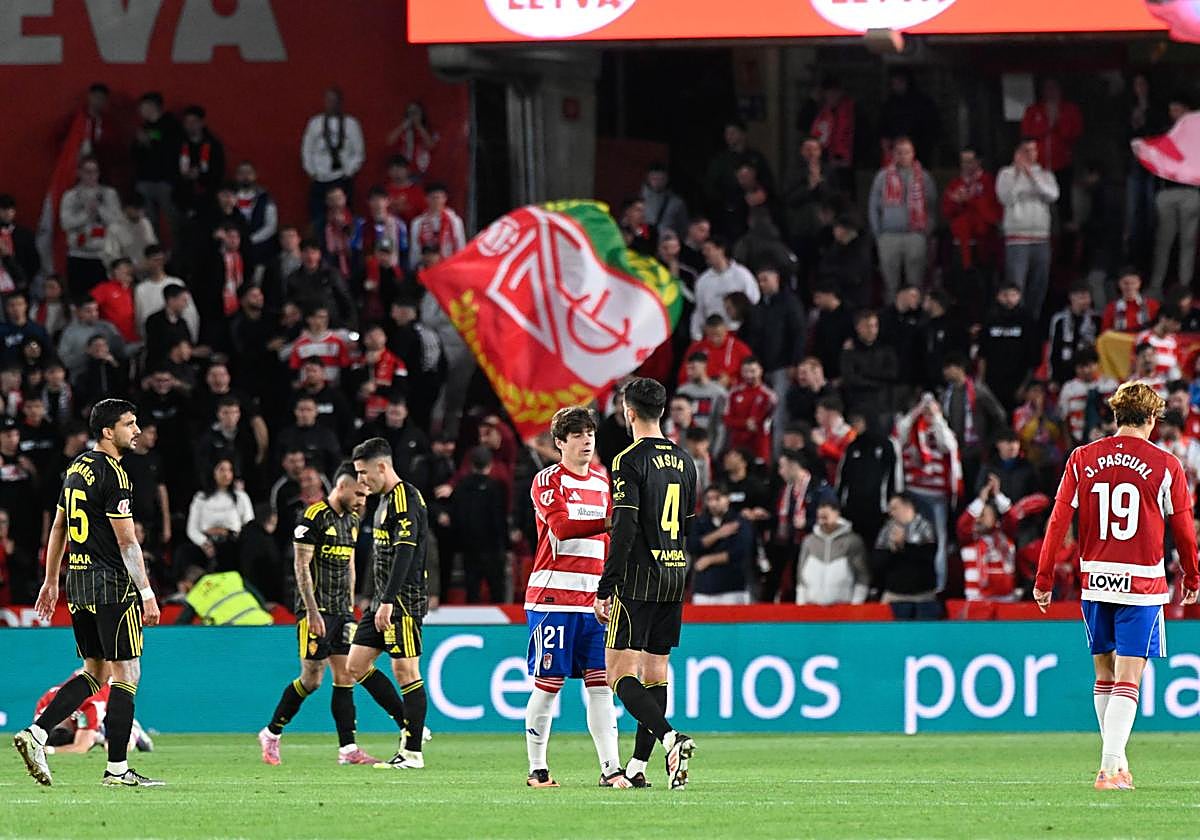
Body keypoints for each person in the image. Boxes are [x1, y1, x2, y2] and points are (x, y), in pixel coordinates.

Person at [1034, 382, 1199, 790]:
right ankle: (1109, 769)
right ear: (1150, 418)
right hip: (1141, 583)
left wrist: (1044, 576)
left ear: (1115, 415)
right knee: (1130, 675)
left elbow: (1057, 522)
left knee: (1104, 674)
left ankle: (1116, 764)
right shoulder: (1166, 464)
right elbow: (1183, 529)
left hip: (1095, 580)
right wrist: (1193, 575)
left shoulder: (1081, 458)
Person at [13, 399, 162, 787]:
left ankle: (37, 733)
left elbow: (59, 526)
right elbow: (127, 541)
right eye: (129, 424)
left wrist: (51, 580)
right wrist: (146, 591)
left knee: (95, 672)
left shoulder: (76, 468)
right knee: (127, 674)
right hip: (112, 583)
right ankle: (117, 769)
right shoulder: (114, 473)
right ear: (108, 432)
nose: (137, 430)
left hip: (78, 584)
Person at [594, 378, 699, 791]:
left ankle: (671, 737)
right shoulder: (686, 461)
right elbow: (687, 525)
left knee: (618, 674)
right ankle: (638, 766)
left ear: (629, 412)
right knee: (656, 673)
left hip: (638, 577)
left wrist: (606, 586)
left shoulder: (628, 460)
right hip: (675, 572)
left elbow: (624, 528)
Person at [523, 407, 624, 787]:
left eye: (590, 434)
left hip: (593, 602)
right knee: (549, 685)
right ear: (560, 442)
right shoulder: (547, 480)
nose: (586, 441)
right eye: (577, 435)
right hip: (553, 599)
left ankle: (610, 769)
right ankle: (537, 769)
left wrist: (610, 587)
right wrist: (610, 521)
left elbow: (609, 541)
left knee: (600, 685)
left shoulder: (602, 482)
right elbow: (562, 528)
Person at [258, 464, 376, 766]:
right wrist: (312, 612)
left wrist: (350, 606)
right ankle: (271, 733)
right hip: (315, 611)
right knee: (312, 679)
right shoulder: (312, 518)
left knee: (346, 675)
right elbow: (300, 567)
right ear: (342, 487)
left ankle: (348, 749)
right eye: (359, 493)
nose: (363, 499)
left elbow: (349, 563)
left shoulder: (351, 519)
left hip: (341, 610)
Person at [349, 437, 431, 770]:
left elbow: (405, 553)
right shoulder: (382, 502)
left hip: (403, 600)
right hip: (381, 602)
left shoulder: (405, 498)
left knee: (406, 670)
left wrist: (388, 601)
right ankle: (413, 727)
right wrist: (372, 597)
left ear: (381, 467)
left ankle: (412, 753)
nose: (360, 481)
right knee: (355, 665)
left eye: (363, 473)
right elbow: (380, 556)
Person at [996, 139, 1059, 318]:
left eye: (1034, 150)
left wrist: (1031, 176)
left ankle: (1033, 322)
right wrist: (1018, 174)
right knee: (1017, 285)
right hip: (1017, 238)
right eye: (1026, 150)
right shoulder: (1006, 174)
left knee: (1039, 284)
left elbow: (1052, 195)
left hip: (1041, 237)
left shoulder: (1045, 174)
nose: (1031, 154)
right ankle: (1016, 320)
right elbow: (1006, 197)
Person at [868, 137, 936, 299]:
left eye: (907, 152)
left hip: (915, 235)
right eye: (899, 152)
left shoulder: (924, 177)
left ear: (913, 154)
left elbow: (931, 207)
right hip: (889, 236)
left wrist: (925, 232)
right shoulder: (882, 177)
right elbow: (873, 207)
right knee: (890, 284)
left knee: (915, 283)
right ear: (894, 155)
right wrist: (879, 234)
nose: (903, 156)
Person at [1150, 94, 1200, 297]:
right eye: (1171, 110)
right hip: (1167, 191)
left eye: (1177, 109)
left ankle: (1184, 289)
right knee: (1163, 241)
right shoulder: (1166, 130)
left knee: (1187, 242)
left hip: (1190, 191)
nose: (1174, 114)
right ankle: (1155, 287)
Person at [1020, 78, 1084, 222]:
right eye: (1048, 89)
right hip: (1039, 167)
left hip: (1062, 164)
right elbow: (1027, 134)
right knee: (1039, 206)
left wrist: (1057, 120)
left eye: (1054, 88)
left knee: (1064, 206)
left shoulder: (1069, 110)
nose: (1051, 92)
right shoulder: (1033, 110)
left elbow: (1074, 133)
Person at [302, 87, 365, 231]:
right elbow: (307, 149)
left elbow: (358, 152)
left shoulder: (351, 124)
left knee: (345, 219)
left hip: (342, 178)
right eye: (328, 100)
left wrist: (349, 171)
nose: (331, 104)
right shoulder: (315, 123)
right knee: (318, 219)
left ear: (340, 102)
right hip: (320, 177)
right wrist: (311, 171)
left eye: (335, 100)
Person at [60, 157, 122, 299]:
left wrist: (99, 209)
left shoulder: (109, 194)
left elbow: (116, 221)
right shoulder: (70, 196)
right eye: (87, 171)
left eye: (94, 171)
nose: (91, 176)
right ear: (79, 173)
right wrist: (86, 214)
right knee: (79, 298)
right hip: (78, 254)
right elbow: (66, 223)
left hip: (103, 255)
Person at [873, 493, 939, 619]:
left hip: (923, 596)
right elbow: (877, 561)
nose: (891, 513)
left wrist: (904, 546)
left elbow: (928, 556)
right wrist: (893, 550)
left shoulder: (925, 528)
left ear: (908, 507)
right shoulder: (886, 530)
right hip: (894, 595)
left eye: (894, 508)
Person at [688, 484, 755, 605]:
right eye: (709, 499)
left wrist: (710, 559)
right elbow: (692, 545)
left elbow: (740, 551)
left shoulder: (739, 521)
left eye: (717, 498)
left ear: (727, 498)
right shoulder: (699, 522)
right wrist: (719, 534)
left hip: (732, 588)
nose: (713, 504)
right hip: (704, 589)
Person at [797, 499, 868, 605]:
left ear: (837, 514)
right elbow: (801, 576)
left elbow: (862, 576)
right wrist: (800, 604)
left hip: (843, 607)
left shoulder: (853, 541)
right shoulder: (809, 541)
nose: (823, 521)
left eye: (826, 517)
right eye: (820, 517)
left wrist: (856, 605)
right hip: (811, 606)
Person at [689, 236, 759, 340]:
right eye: (703, 250)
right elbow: (700, 311)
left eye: (708, 249)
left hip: (739, 334)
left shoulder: (742, 274)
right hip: (713, 335)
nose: (704, 253)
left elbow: (754, 302)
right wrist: (696, 336)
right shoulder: (703, 281)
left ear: (721, 250)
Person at [1047, 282, 1101, 385]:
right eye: (1081, 298)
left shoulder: (1097, 319)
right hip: (1065, 370)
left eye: (1087, 298)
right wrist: (1053, 377)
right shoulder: (1059, 320)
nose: (1085, 301)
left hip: (1089, 371)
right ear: (1071, 297)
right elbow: (1054, 348)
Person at [408, 183, 466, 269]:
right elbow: (415, 248)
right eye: (432, 198)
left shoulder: (455, 221)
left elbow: (460, 244)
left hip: (449, 265)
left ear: (445, 199)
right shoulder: (418, 222)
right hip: (426, 266)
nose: (436, 201)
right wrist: (414, 266)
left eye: (439, 197)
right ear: (426, 199)